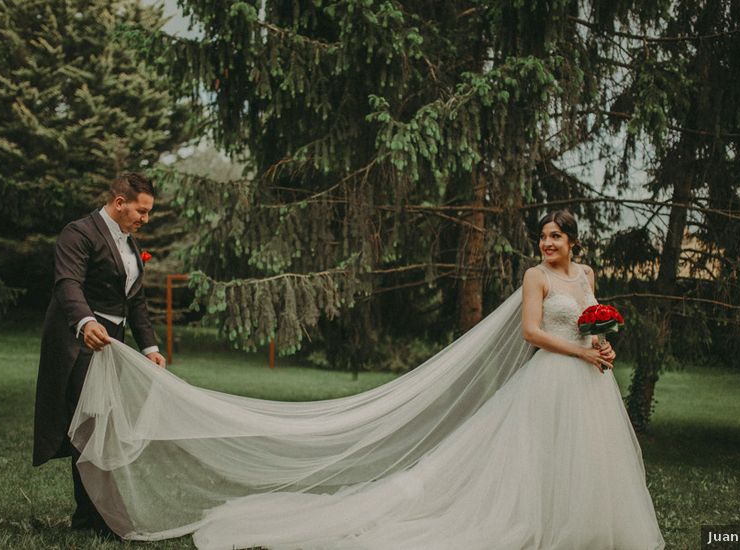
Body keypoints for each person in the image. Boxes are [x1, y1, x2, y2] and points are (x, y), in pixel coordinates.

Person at [69, 210, 665, 549]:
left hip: (589, 376)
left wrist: (600, 343)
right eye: (543, 235)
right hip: (556, 376)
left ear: (574, 243)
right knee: (539, 456)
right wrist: (579, 353)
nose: (546, 242)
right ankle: (542, 525)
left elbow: (590, 318)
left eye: (556, 236)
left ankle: (588, 527)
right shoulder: (536, 276)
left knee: (585, 458)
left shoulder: (585, 273)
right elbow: (534, 333)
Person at [32, 171, 166, 538]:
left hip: (115, 349)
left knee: (103, 428)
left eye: (148, 212)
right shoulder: (79, 233)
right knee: (89, 429)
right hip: (80, 344)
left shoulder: (132, 245)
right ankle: (100, 519)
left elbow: (135, 301)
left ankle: (91, 517)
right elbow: (68, 283)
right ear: (119, 202)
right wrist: (86, 322)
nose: (145, 219)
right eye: (141, 211)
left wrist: (150, 347)